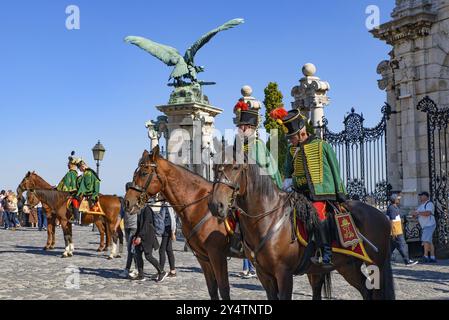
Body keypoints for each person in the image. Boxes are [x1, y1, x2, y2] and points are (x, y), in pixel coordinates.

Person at [271, 106, 347, 268]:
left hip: (320, 193)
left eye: (292, 137)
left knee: (317, 214)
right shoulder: (292, 150)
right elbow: (287, 171)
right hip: (298, 192)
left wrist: (341, 194)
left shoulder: (321, 145)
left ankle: (326, 251)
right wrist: (287, 182)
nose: (290, 141)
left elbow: (335, 169)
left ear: (301, 133)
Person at [132, 201, 167, 282]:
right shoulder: (140, 210)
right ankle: (141, 275)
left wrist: (139, 236)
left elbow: (146, 224)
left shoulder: (147, 210)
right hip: (140, 235)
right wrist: (136, 236)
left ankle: (161, 272)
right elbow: (139, 225)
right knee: (138, 254)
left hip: (148, 236)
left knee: (148, 256)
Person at [386, 194, 418, 266]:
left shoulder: (394, 207)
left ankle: (384, 261)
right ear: (394, 200)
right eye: (398, 199)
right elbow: (391, 221)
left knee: (391, 248)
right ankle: (407, 261)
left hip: (396, 230)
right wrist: (393, 232)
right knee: (402, 246)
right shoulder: (392, 208)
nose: (399, 200)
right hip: (396, 231)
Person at [118, 184, 138, 279]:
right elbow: (121, 213)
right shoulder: (124, 200)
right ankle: (130, 268)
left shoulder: (136, 200)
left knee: (132, 249)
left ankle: (135, 268)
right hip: (126, 226)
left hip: (134, 227)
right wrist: (116, 226)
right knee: (129, 249)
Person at [411, 192, 437, 263]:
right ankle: (432, 257)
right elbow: (415, 215)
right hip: (425, 226)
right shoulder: (421, 206)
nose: (420, 197)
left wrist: (418, 213)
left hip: (429, 224)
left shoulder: (429, 204)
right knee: (429, 241)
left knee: (425, 240)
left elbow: (428, 213)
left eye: (421, 196)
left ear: (426, 197)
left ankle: (425, 256)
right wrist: (414, 214)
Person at [155, 200, 177, 278]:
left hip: (168, 230)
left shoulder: (167, 205)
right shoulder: (164, 205)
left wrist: (173, 232)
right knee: (169, 250)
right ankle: (173, 271)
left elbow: (172, 219)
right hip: (166, 229)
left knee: (162, 250)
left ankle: (161, 271)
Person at [57, 151, 80, 223]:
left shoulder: (72, 173)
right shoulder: (69, 173)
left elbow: (72, 184)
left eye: (69, 164)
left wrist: (65, 190)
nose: (68, 165)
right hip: (67, 191)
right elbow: (63, 182)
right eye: (68, 164)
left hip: (73, 191)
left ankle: (76, 217)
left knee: (74, 200)